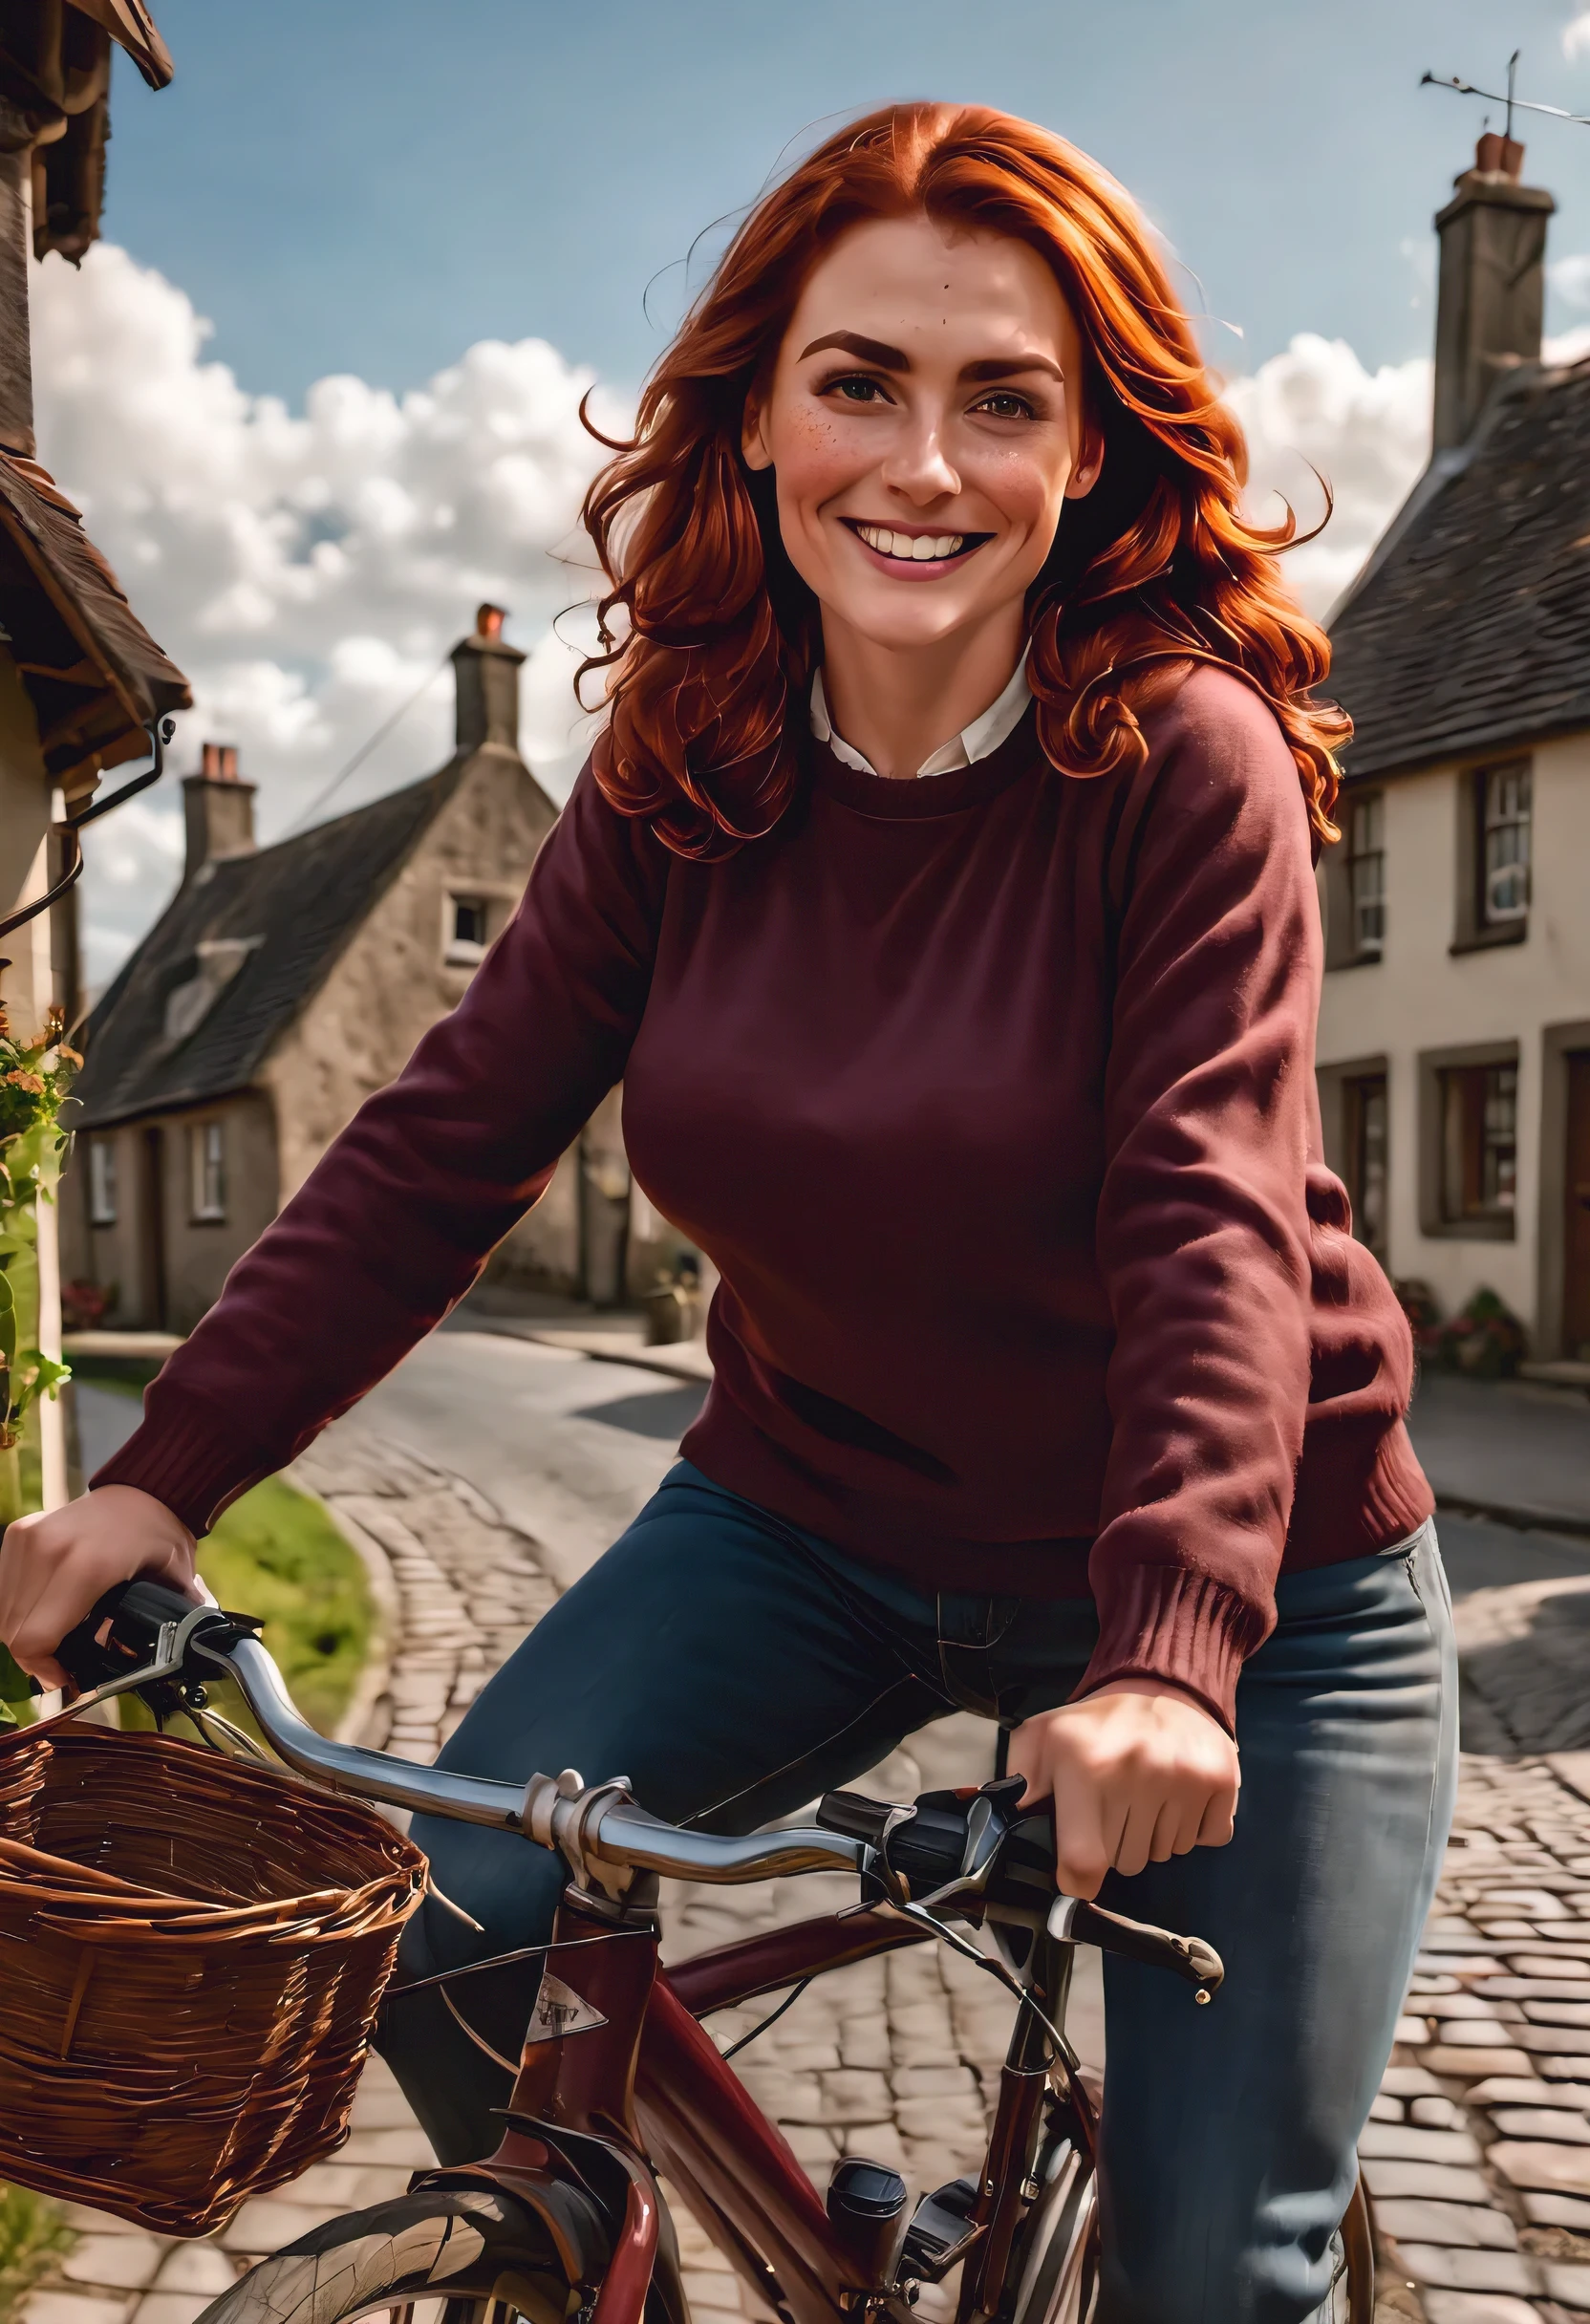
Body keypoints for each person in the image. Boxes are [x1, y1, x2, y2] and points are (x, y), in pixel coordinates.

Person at [0, 103, 1454, 2324]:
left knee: (1210, 2271)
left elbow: (1209, 1212)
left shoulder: (1181, 760)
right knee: (449, 1920)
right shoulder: (685, 762)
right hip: (812, 1526)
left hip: (1260, 1581)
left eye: (1005, 401)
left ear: (1089, 458)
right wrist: (166, 1477)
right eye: (860, 380)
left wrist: (1168, 1653)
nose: (924, 463)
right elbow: (435, 1143)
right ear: (760, 420)